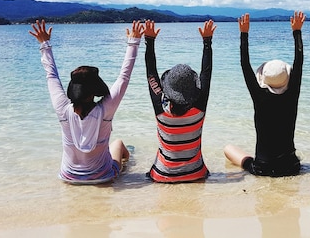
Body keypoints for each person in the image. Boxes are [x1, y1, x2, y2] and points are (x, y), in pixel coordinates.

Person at [29, 19, 144, 184]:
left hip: (68, 177)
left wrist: (45, 44)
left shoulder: (63, 109)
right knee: (119, 144)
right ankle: (130, 161)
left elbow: (51, 75)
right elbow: (124, 77)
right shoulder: (105, 110)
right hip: (103, 177)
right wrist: (134, 42)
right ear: (95, 90)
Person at [224, 11, 305, 177]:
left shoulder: (259, 96)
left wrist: (244, 34)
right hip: (292, 167)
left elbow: (245, 65)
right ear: (289, 78)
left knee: (228, 149)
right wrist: (296, 32)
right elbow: (299, 60)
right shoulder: (292, 94)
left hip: (263, 169)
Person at [144, 19, 216, 182]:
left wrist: (149, 42)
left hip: (163, 175)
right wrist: (207, 42)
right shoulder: (199, 109)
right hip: (196, 174)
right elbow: (206, 73)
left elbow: (151, 74)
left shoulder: (160, 109)